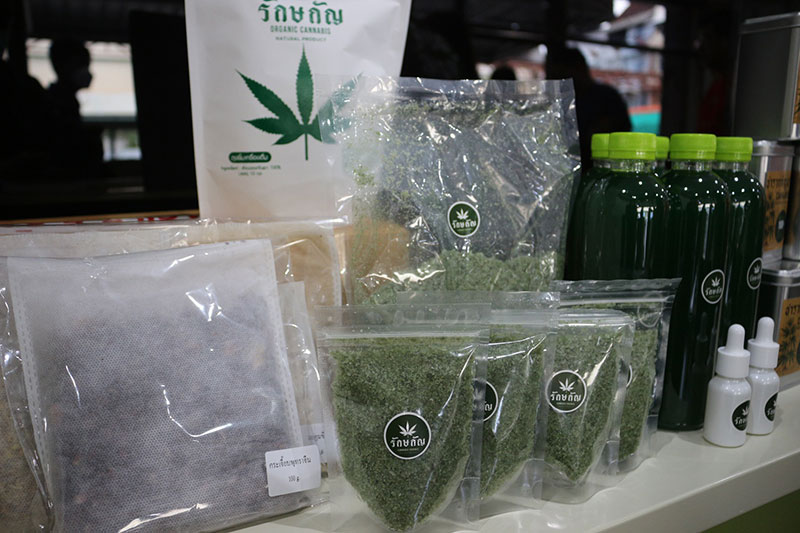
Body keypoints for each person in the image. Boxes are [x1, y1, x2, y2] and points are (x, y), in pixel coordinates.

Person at [546, 46, 632, 168]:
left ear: (580, 69)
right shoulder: (555, 102)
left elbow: (622, 132)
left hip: (600, 167)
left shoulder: (606, 97)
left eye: (561, 73)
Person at [46, 39, 104, 179]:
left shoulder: (62, 98)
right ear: (65, 66)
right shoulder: (60, 101)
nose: (87, 72)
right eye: (83, 65)